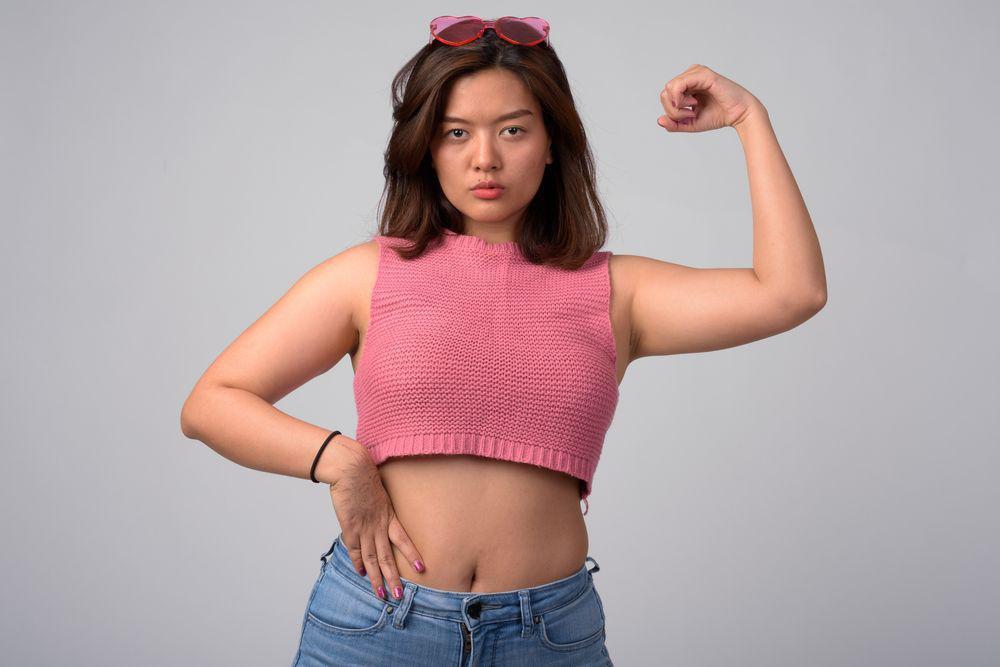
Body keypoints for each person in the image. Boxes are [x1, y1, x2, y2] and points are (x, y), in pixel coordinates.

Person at [180, 15, 827, 667]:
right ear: (426, 149)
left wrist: (750, 118)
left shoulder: (615, 291)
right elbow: (211, 402)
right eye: (455, 133)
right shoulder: (369, 274)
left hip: (547, 637)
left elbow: (791, 291)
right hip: (377, 627)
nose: (484, 158)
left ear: (551, 143)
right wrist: (340, 462)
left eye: (512, 130)